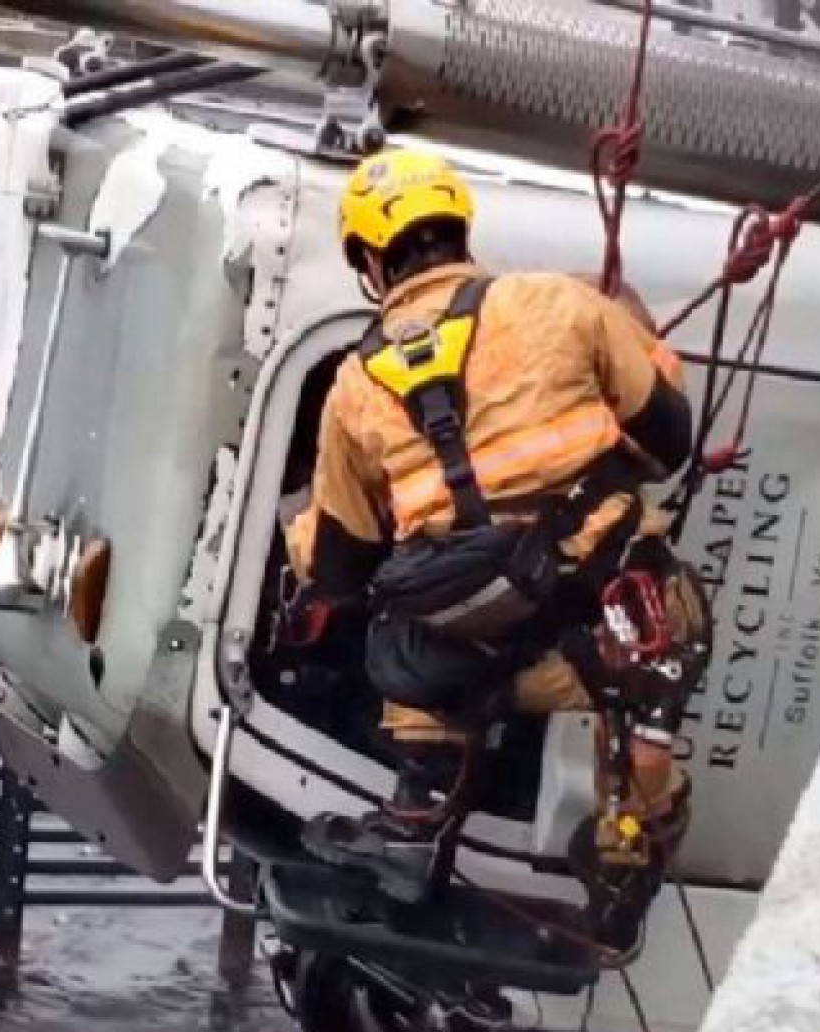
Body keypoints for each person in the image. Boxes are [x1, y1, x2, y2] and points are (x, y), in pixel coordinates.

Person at [283, 147, 709, 927]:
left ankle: (420, 811)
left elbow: (341, 565)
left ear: (372, 261)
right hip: (609, 654)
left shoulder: (354, 386)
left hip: (475, 666)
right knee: (675, 621)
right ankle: (633, 837)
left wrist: (301, 546)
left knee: (392, 632)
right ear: (459, 229)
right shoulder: (561, 303)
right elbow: (668, 440)